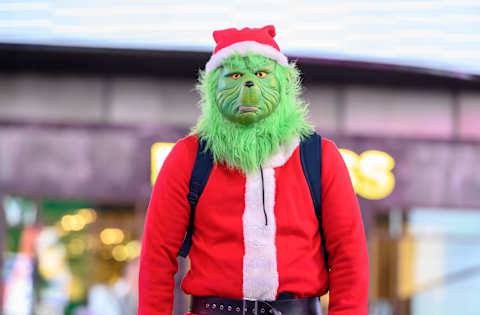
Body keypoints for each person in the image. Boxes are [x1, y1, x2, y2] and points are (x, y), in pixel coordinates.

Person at [139, 25, 368, 315]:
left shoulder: (321, 156)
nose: (249, 84)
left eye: (261, 74)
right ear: (212, 86)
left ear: (285, 83)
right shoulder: (188, 157)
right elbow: (157, 257)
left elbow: (349, 255)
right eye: (234, 75)